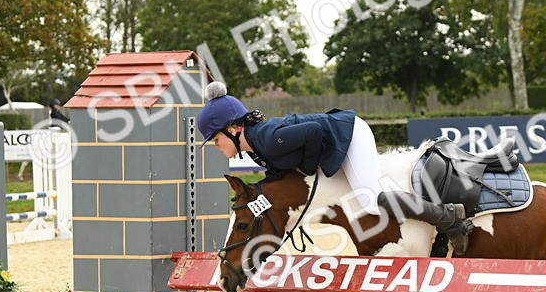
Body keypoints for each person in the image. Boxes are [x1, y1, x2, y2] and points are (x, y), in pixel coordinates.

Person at [197, 81, 473, 254]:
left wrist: (307, 166)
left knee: (372, 199)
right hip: (338, 137)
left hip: (351, 134)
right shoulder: (256, 146)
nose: (215, 145)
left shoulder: (266, 138)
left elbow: (314, 132)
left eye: (216, 138)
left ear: (234, 128)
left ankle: (449, 218)